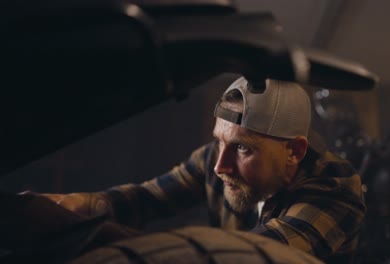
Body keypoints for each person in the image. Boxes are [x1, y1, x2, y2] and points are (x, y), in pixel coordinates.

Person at [43, 76, 366, 260]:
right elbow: (143, 199)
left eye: (243, 147)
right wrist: (67, 206)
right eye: (220, 141)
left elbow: (247, 258)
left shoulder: (335, 189)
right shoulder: (217, 158)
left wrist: (86, 232)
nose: (220, 166)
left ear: (294, 151)